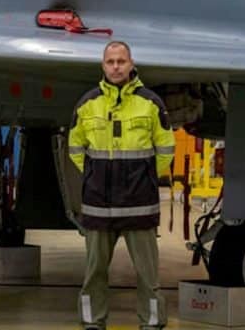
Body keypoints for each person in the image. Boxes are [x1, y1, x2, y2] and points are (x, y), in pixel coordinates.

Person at [68, 41, 175, 330]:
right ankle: (93, 323)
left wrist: (145, 178)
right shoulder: (87, 104)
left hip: (139, 205)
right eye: (110, 61)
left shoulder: (150, 103)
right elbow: (75, 149)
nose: (116, 66)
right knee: (93, 274)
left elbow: (166, 149)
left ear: (131, 64)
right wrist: (94, 175)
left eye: (121, 61)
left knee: (148, 276)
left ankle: (151, 323)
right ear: (103, 66)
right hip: (98, 206)